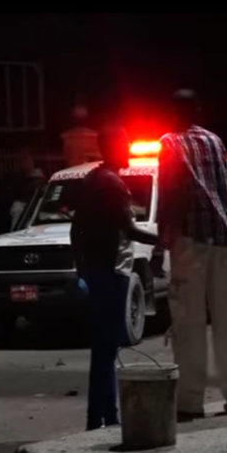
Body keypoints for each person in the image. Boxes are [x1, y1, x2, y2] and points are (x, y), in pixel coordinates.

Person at [157, 88, 227, 421]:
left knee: (189, 323)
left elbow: (173, 192)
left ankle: (189, 401)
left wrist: (164, 238)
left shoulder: (170, 143)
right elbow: (224, 193)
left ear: (172, 112)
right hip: (223, 238)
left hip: (191, 242)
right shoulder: (215, 141)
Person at [70, 126, 157, 431]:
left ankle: (105, 415)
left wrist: (82, 268)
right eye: (124, 144)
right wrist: (165, 239)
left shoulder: (92, 179)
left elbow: (76, 228)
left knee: (104, 348)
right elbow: (129, 230)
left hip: (97, 270)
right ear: (112, 148)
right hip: (112, 271)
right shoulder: (112, 183)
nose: (128, 151)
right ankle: (100, 418)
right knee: (107, 348)